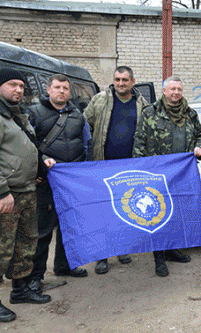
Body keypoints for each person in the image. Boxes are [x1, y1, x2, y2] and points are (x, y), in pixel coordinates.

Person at [133, 76, 201, 277]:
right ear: (164, 91)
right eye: (172, 89)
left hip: (181, 175)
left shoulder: (191, 114)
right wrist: (140, 171)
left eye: (179, 89)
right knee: (156, 215)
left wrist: (200, 147)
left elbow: (200, 135)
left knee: (176, 214)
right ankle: (159, 258)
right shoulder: (150, 113)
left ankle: (172, 249)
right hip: (155, 175)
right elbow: (139, 142)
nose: (175, 92)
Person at [26, 74, 92, 294]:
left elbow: (86, 143)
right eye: (57, 87)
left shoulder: (77, 115)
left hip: (72, 181)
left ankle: (64, 266)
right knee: (43, 230)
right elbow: (28, 144)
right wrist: (37, 170)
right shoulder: (34, 113)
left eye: (65, 88)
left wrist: (85, 170)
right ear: (48, 89)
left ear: (69, 92)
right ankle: (36, 277)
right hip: (46, 181)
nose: (61, 91)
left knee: (69, 227)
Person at [0, 68, 54, 323]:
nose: (18, 90)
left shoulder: (16, 115)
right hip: (7, 196)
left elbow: (28, 148)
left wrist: (40, 165)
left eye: (21, 86)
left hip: (27, 191)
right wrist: (2, 192)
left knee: (25, 244)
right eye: (12, 85)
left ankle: (19, 291)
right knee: (2, 248)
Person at [84, 66, 149, 274]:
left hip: (130, 168)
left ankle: (122, 249)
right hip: (103, 164)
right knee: (103, 212)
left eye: (125, 80)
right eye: (117, 79)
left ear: (133, 81)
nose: (121, 83)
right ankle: (102, 256)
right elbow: (86, 127)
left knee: (126, 209)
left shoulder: (142, 104)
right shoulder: (99, 100)